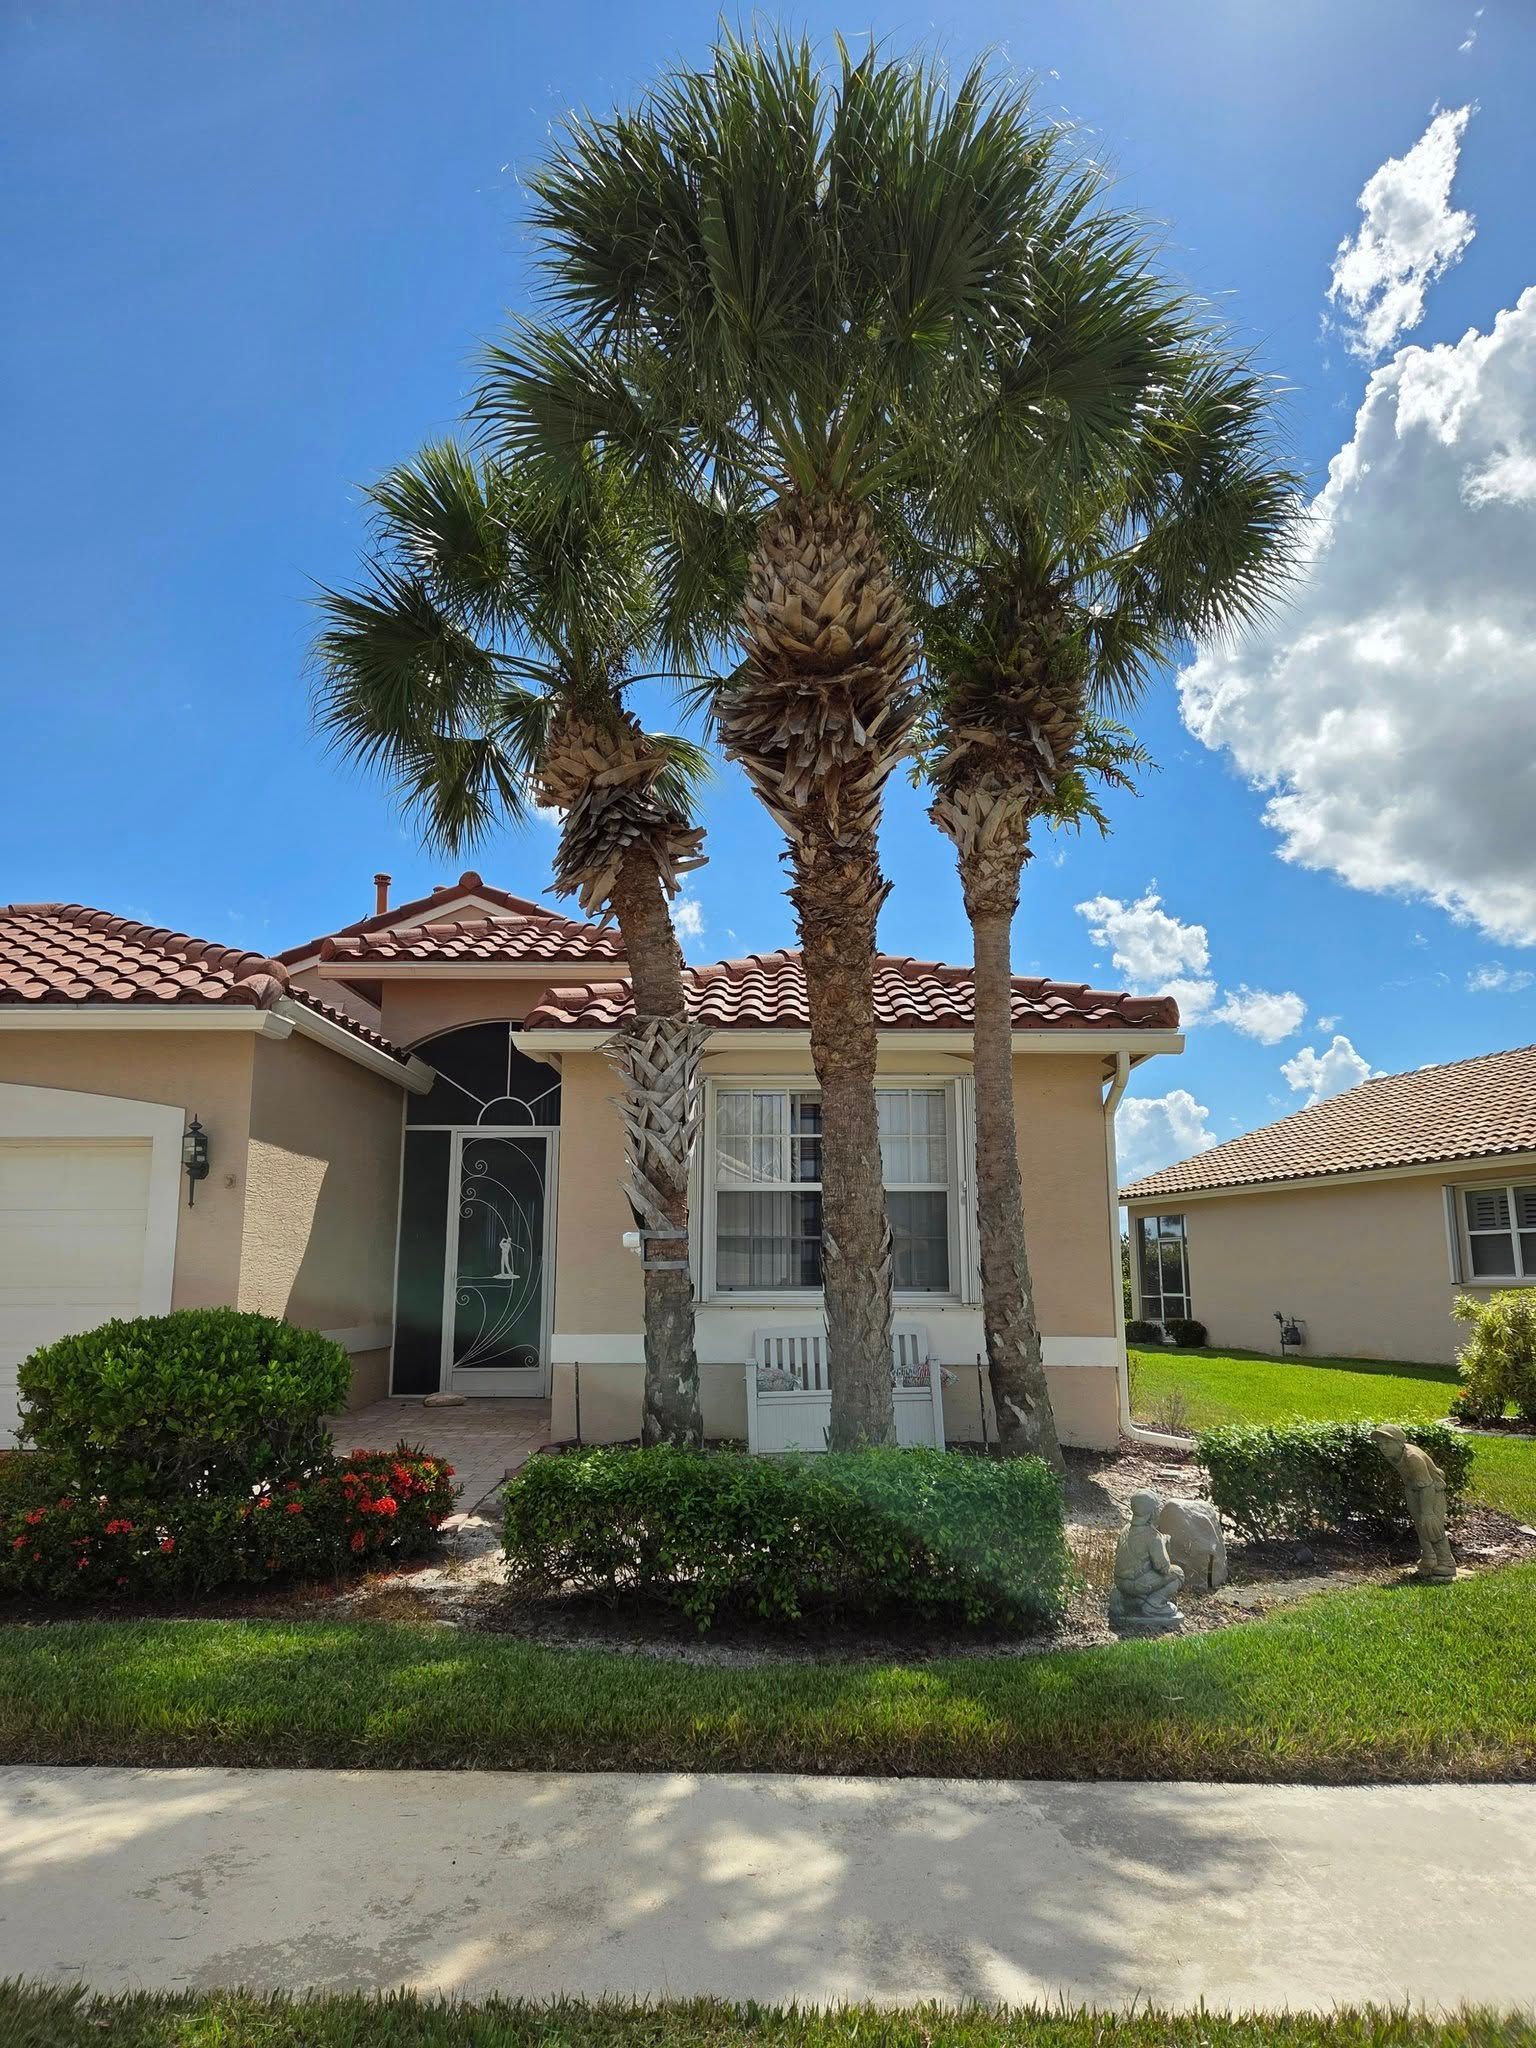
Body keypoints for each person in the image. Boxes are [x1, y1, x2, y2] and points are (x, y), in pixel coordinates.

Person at [1371, 1425, 1457, 1581]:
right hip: (1413, 1490)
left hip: (1431, 1491)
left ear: (1399, 1442)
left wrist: (1427, 1511)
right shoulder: (1393, 1455)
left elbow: (1428, 1485)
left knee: (1431, 1525)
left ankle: (1446, 1563)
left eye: (1387, 1443)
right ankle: (1430, 1558)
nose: (1382, 1447)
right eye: (1380, 1443)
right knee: (1419, 1525)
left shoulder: (1412, 1457)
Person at [1109, 1490, 1185, 1625]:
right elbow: (1163, 1568)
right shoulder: (1153, 1537)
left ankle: (1126, 1599)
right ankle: (1153, 1605)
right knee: (1178, 1573)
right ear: (1153, 1513)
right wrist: (1163, 1543)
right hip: (1136, 1583)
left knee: (1144, 1576)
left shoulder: (1125, 1529)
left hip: (1120, 1582)